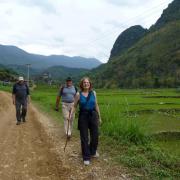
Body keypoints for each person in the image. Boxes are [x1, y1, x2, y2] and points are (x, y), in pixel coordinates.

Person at [69, 77, 101, 165]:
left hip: (93, 115)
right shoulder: (78, 94)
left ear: (90, 84)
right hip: (83, 116)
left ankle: (93, 151)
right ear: (82, 85)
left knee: (95, 136)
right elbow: (74, 106)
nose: (86, 84)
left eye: (87, 82)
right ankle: (86, 157)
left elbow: (96, 105)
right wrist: (71, 114)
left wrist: (99, 116)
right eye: (84, 83)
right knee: (84, 137)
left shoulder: (93, 93)